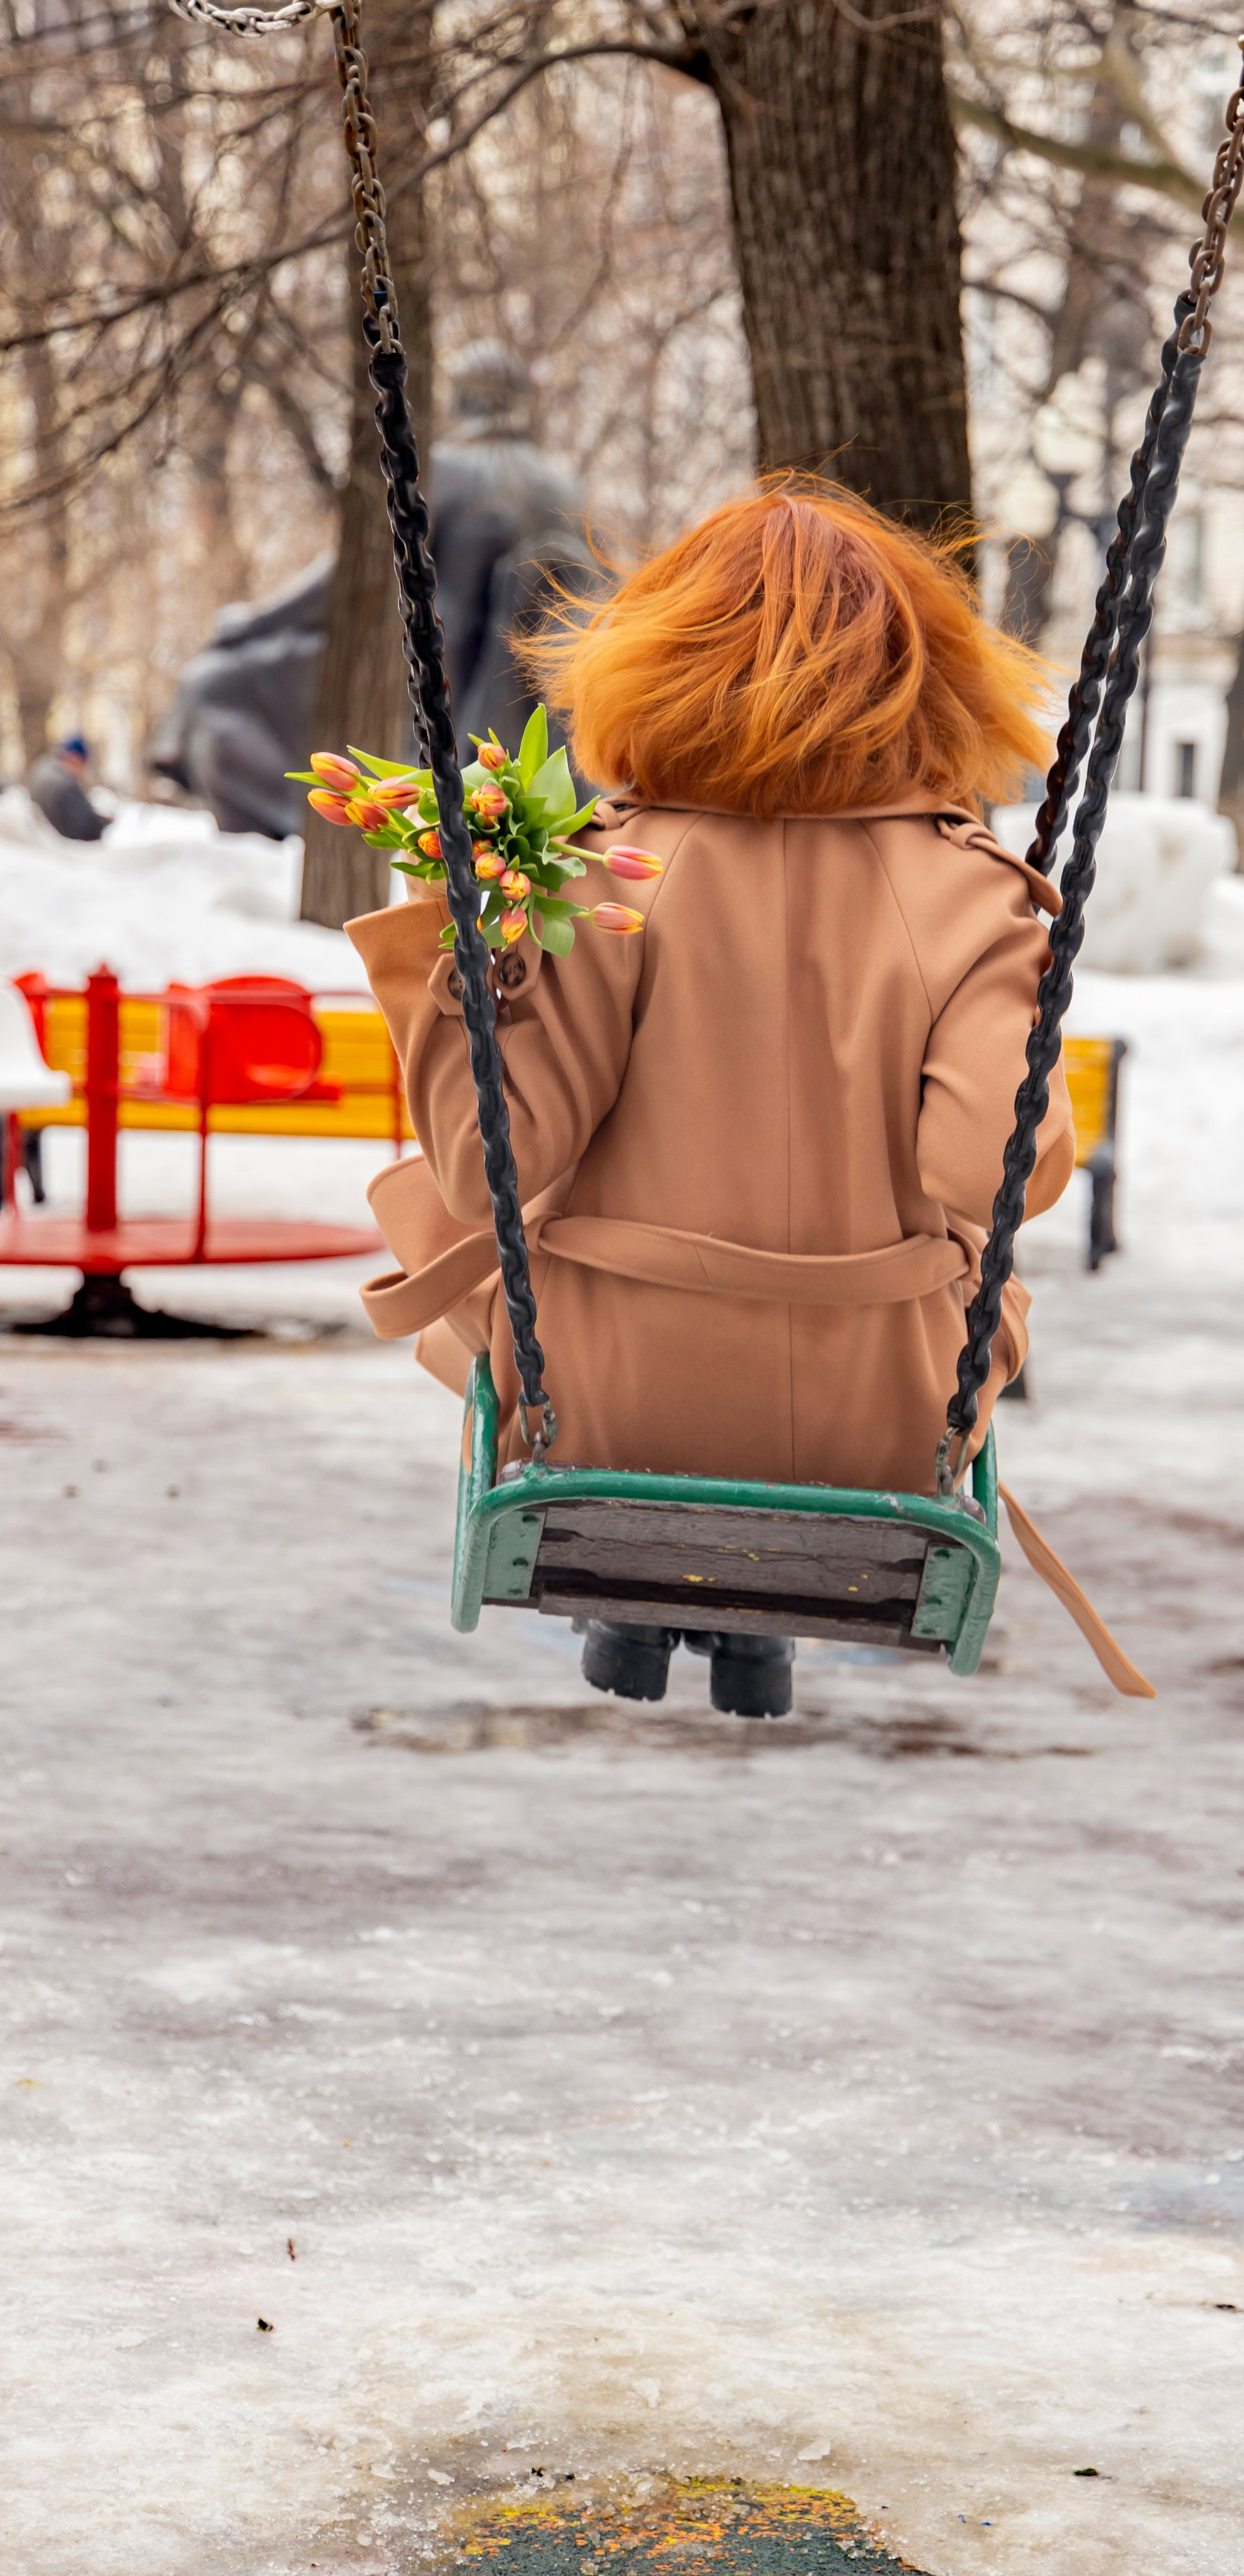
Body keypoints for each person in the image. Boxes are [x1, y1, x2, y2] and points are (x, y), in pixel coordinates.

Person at [347, 480, 1074, 1719]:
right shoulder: (976, 897)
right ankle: (754, 1628)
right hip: (885, 1419)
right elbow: (992, 1173)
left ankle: (640, 1600)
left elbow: (495, 1167)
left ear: (654, 657)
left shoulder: (596, 876)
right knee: (973, 1276)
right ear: (925, 678)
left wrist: (464, 962)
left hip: (602, 1401)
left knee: (454, 1220)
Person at [147, 346, 596, 836]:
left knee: (216, 682)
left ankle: (300, 821)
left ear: (462, 400)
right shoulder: (563, 483)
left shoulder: (447, 468)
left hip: (419, 670)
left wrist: (252, 623)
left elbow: (346, 583)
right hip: (513, 689)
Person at [27, 735, 108, 842]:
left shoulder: (42, 768)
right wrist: (107, 823)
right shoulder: (64, 785)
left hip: (43, 839)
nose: (82, 770)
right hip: (61, 848)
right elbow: (88, 828)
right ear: (75, 758)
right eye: (83, 763)